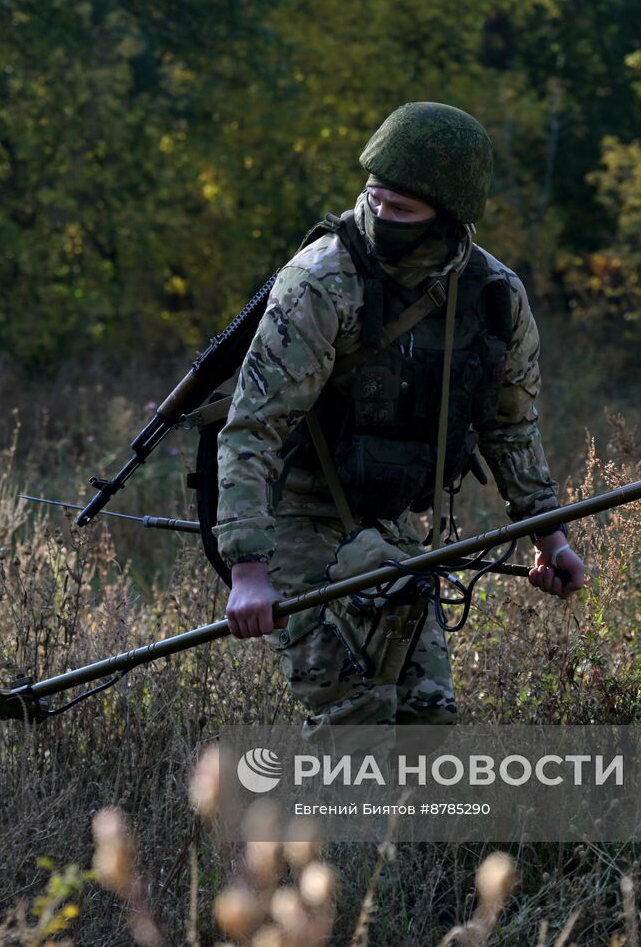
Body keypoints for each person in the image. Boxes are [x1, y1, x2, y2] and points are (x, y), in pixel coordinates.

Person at [214, 102, 586, 728]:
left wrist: (550, 538)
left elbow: (511, 427)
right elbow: (255, 427)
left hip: (391, 524)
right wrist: (248, 569)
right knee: (355, 713)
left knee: (426, 718)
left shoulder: (495, 297)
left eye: (404, 210)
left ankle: (400, 832)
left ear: (450, 214)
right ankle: (314, 831)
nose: (383, 217)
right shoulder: (321, 281)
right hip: (294, 518)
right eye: (375, 199)